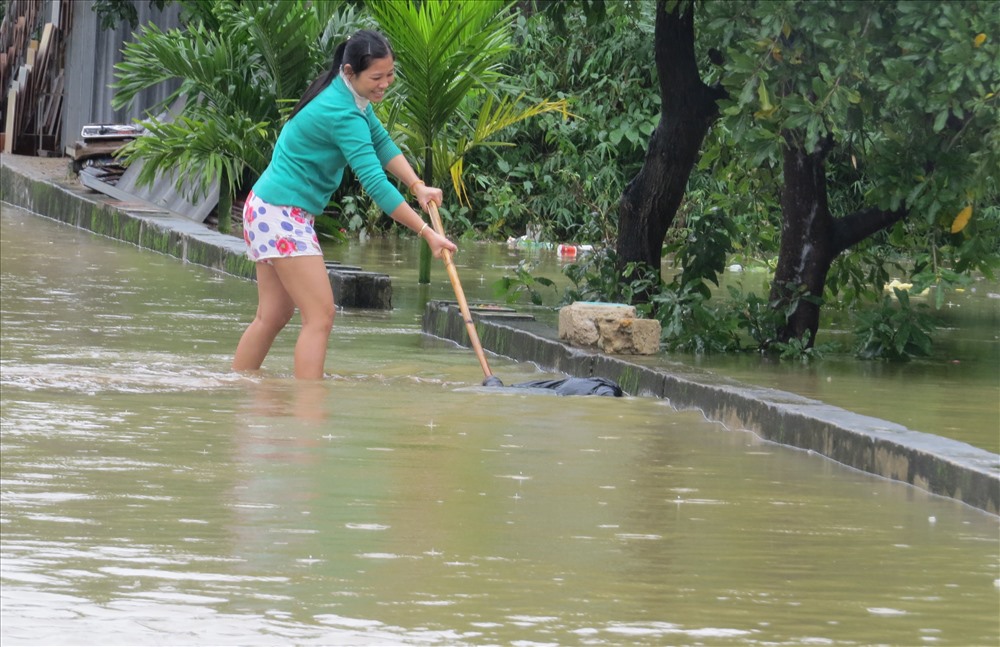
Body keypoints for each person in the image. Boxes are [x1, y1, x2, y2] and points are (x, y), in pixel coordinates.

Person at [233, 30, 457, 380]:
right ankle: (310, 411)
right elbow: (376, 186)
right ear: (351, 71)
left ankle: (237, 387)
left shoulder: (346, 92)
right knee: (320, 316)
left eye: (390, 74)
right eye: (377, 77)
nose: (385, 84)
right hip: (280, 214)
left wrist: (417, 186)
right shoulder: (343, 112)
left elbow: (381, 142)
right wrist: (426, 232)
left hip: (267, 209)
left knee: (273, 316)